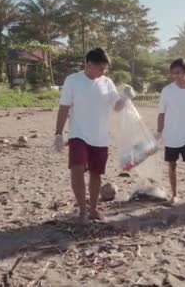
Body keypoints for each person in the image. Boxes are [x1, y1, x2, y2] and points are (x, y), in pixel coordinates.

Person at [54, 48, 132, 222]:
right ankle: (82, 210)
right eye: (101, 68)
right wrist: (58, 133)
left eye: (105, 69)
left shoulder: (107, 83)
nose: (104, 72)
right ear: (89, 65)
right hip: (78, 134)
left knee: (96, 174)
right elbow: (64, 107)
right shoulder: (73, 80)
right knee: (77, 169)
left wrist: (125, 97)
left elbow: (117, 106)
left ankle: (93, 209)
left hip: (100, 136)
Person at [156, 58, 185, 209]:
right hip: (171, 134)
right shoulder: (167, 91)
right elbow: (161, 114)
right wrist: (159, 132)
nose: (175, 76)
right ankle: (174, 195)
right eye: (173, 73)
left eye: (178, 72)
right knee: (172, 166)